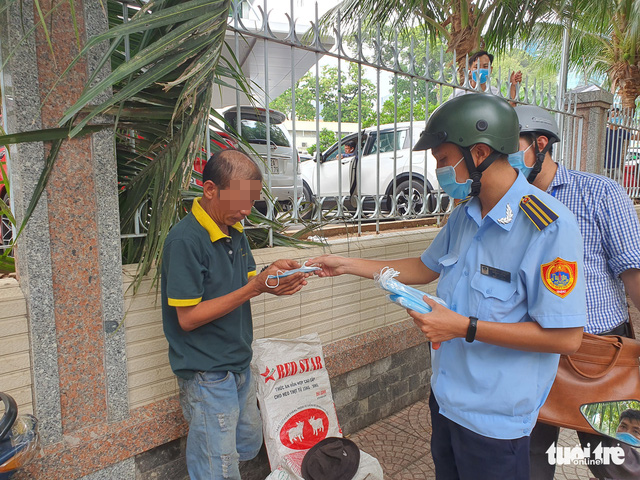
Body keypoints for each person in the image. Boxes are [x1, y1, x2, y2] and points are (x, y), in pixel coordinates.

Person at [308, 94, 586, 479]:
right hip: (445, 403)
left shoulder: (548, 226)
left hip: (495, 421)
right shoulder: (465, 217)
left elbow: (566, 337)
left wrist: (463, 327)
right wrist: (344, 264)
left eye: (442, 160)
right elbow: (424, 267)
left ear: (479, 153)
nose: (438, 171)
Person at [161, 149, 309, 480]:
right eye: (240, 201)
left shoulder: (234, 229)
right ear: (210, 189)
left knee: (245, 447)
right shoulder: (185, 240)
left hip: (239, 364)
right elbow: (188, 317)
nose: (246, 211)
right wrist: (256, 287)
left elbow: (244, 283)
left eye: (252, 202)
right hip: (207, 373)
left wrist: (274, 278)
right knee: (217, 466)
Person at [510, 105, 640, 480]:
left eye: (511, 145)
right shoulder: (508, 203)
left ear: (541, 143)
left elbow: (633, 272)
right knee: (530, 458)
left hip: (599, 354)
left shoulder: (600, 193)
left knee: (617, 461)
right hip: (531, 349)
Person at [450, 50, 522, 104]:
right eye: (476, 66)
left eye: (485, 66)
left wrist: (513, 86)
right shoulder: (459, 94)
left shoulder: (495, 93)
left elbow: (508, 111)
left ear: (490, 70)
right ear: (470, 71)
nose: (481, 70)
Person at [605, 107, 633, 179]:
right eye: (614, 114)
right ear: (608, 118)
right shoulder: (604, 131)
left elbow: (635, 137)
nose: (617, 116)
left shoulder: (622, 132)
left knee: (619, 187)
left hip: (616, 167)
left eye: (618, 115)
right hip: (604, 167)